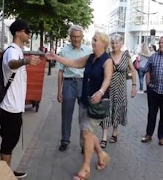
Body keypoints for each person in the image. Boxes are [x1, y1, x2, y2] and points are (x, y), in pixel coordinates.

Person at [47, 32, 113, 180]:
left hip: (97, 102)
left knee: (86, 133)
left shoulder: (106, 61)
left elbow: (107, 79)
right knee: (87, 132)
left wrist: (101, 92)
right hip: (85, 100)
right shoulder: (90, 57)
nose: (93, 42)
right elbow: (74, 63)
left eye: (96, 40)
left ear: (104, 43)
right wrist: (56, 57)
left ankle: (86, 168)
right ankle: (101, 155)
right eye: (93, 40)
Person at [0, 19, 41, 178]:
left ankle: (7, 171)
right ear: (18, 32)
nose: (29, 33)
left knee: (11, 140)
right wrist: (25, 61)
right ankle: (5, 174)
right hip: (9, 106)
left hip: (14, 106)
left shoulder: (18, 50)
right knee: (8, 141)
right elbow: (11, 64)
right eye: (26, 31)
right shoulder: (12, 50)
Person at [57, 25, 92, 152]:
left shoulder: (88, 51)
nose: (76, 39)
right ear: (70, 37)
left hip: (83, 84)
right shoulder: (64, 51)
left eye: (78, 36)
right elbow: (60, 71)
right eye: (73, 37)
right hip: (68, 83)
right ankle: (65, 140)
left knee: (84, 115)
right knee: (66, 114)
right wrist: (59, 91)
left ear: (82, 37)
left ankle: (84, 144)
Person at [100, 34, 137, 148]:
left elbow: (133, 71)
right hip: (108, 87)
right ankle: (104, 137)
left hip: (120, 88)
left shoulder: (126, 56)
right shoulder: (107, 55)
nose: (114, 45)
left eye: (117, 43)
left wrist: (134, 86)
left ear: (121, 44)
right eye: (113, 43)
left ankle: (115, 133)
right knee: (106, 110)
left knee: (117, 109)